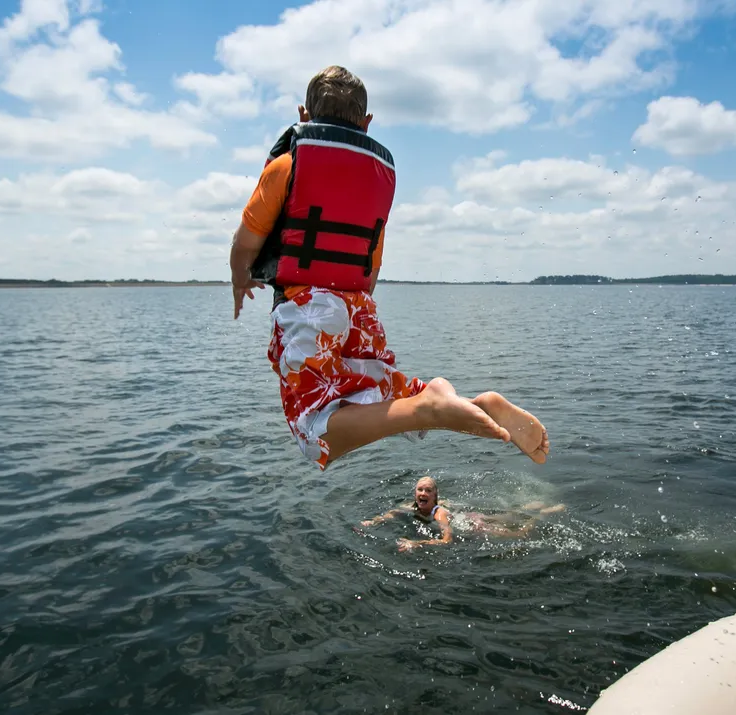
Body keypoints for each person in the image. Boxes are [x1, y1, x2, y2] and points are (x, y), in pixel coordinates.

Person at [229, 65, 550, 471]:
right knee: (379, 397)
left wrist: (241, 281)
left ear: (303, 116)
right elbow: (371, 264)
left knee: (313, 429)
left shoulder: (287, 166)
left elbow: (245, 243)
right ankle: (457, 402)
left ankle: (429, 408)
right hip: (359, 306)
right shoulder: (377, 176)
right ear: (367, 123)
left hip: (306, 304)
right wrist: (348, 314)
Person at [360, 476, 565, 552]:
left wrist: (417, 544)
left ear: (435, 495)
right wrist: (374, 520)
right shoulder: (410, 505)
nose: (423, 493)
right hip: (467, 515)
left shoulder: (438, 513)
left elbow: (446, 540)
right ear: (415, 493)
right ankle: (532, 507)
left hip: (472, 523)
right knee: (505, 515)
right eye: (420, 489)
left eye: (428, 490)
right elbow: (393, 512)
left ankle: (542, 514)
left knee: (518, 534)